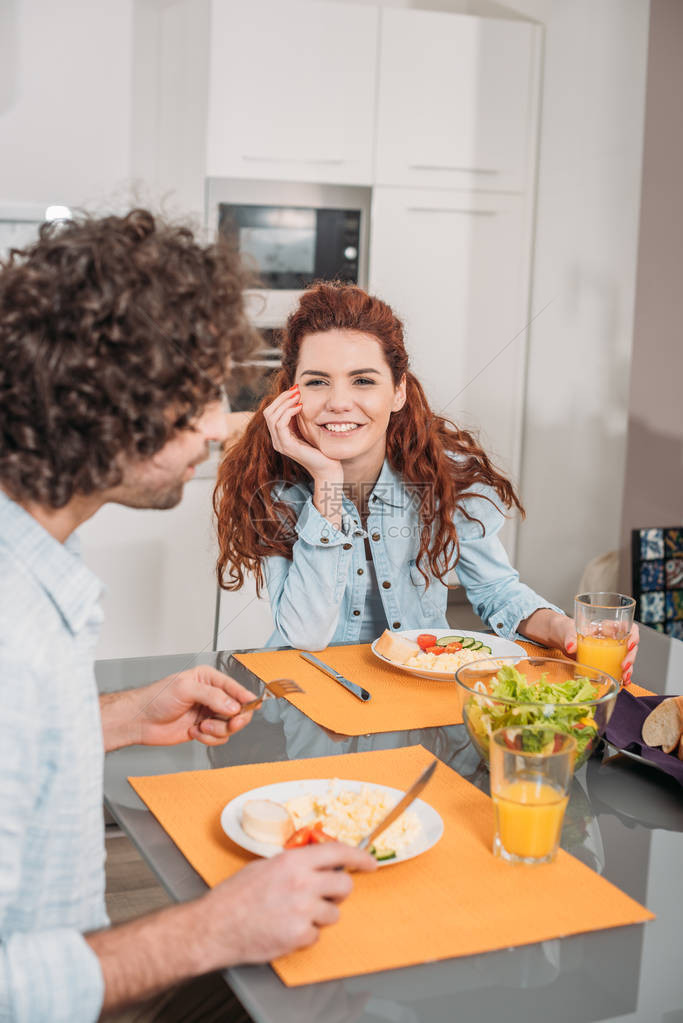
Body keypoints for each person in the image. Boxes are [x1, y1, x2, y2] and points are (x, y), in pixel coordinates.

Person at [0, 213, 376, 1023]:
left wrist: (119, 715)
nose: (216, 422)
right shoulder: (12, 633)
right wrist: (210, 926)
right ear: (105, 400)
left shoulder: (28, 565)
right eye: (195, 392)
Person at [214, 282, 638, 681]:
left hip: (421, 688)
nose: (339, 402)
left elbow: (499, 593)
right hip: (312, 695)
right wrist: (325, 479)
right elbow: (304, 635)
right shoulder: (276, 489)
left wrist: (564, 628)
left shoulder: (441, 475)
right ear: (293, 393)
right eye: (317, 382)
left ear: (398, 391)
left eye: (363, 380)